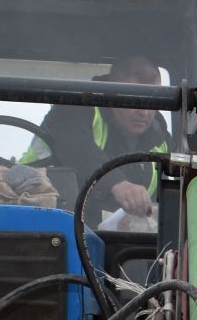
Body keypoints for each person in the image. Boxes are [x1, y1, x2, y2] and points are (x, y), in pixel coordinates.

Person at [22, 52, 171, 227]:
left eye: (152, 102)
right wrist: (118, 184)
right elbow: (76, 148)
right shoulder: (73, 107)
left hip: (113, 243)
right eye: (134, 99)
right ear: (113, 91)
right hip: (35, 215)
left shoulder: (161, 141)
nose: (144, 112)